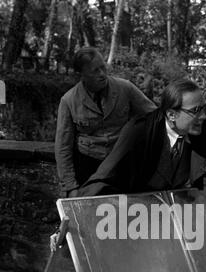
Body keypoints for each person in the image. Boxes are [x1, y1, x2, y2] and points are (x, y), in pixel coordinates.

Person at [78, 78, 206, 197]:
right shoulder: (139, 132)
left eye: (204, 109)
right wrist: (74, 218)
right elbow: (103, 178)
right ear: (172, 114)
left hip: (181, 216)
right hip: (137, 216)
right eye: (196, 111)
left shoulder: (202, 130)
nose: (203, 117)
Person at [55, 47, 156, 198]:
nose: (102, 74)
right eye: (95, 71)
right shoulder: (69, 100)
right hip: (88, 166)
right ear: (81, 74)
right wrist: (70, 187)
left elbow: (154, 117)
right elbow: (63, 147)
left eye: (103, 67)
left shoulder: (125, 88)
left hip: (121, 163)